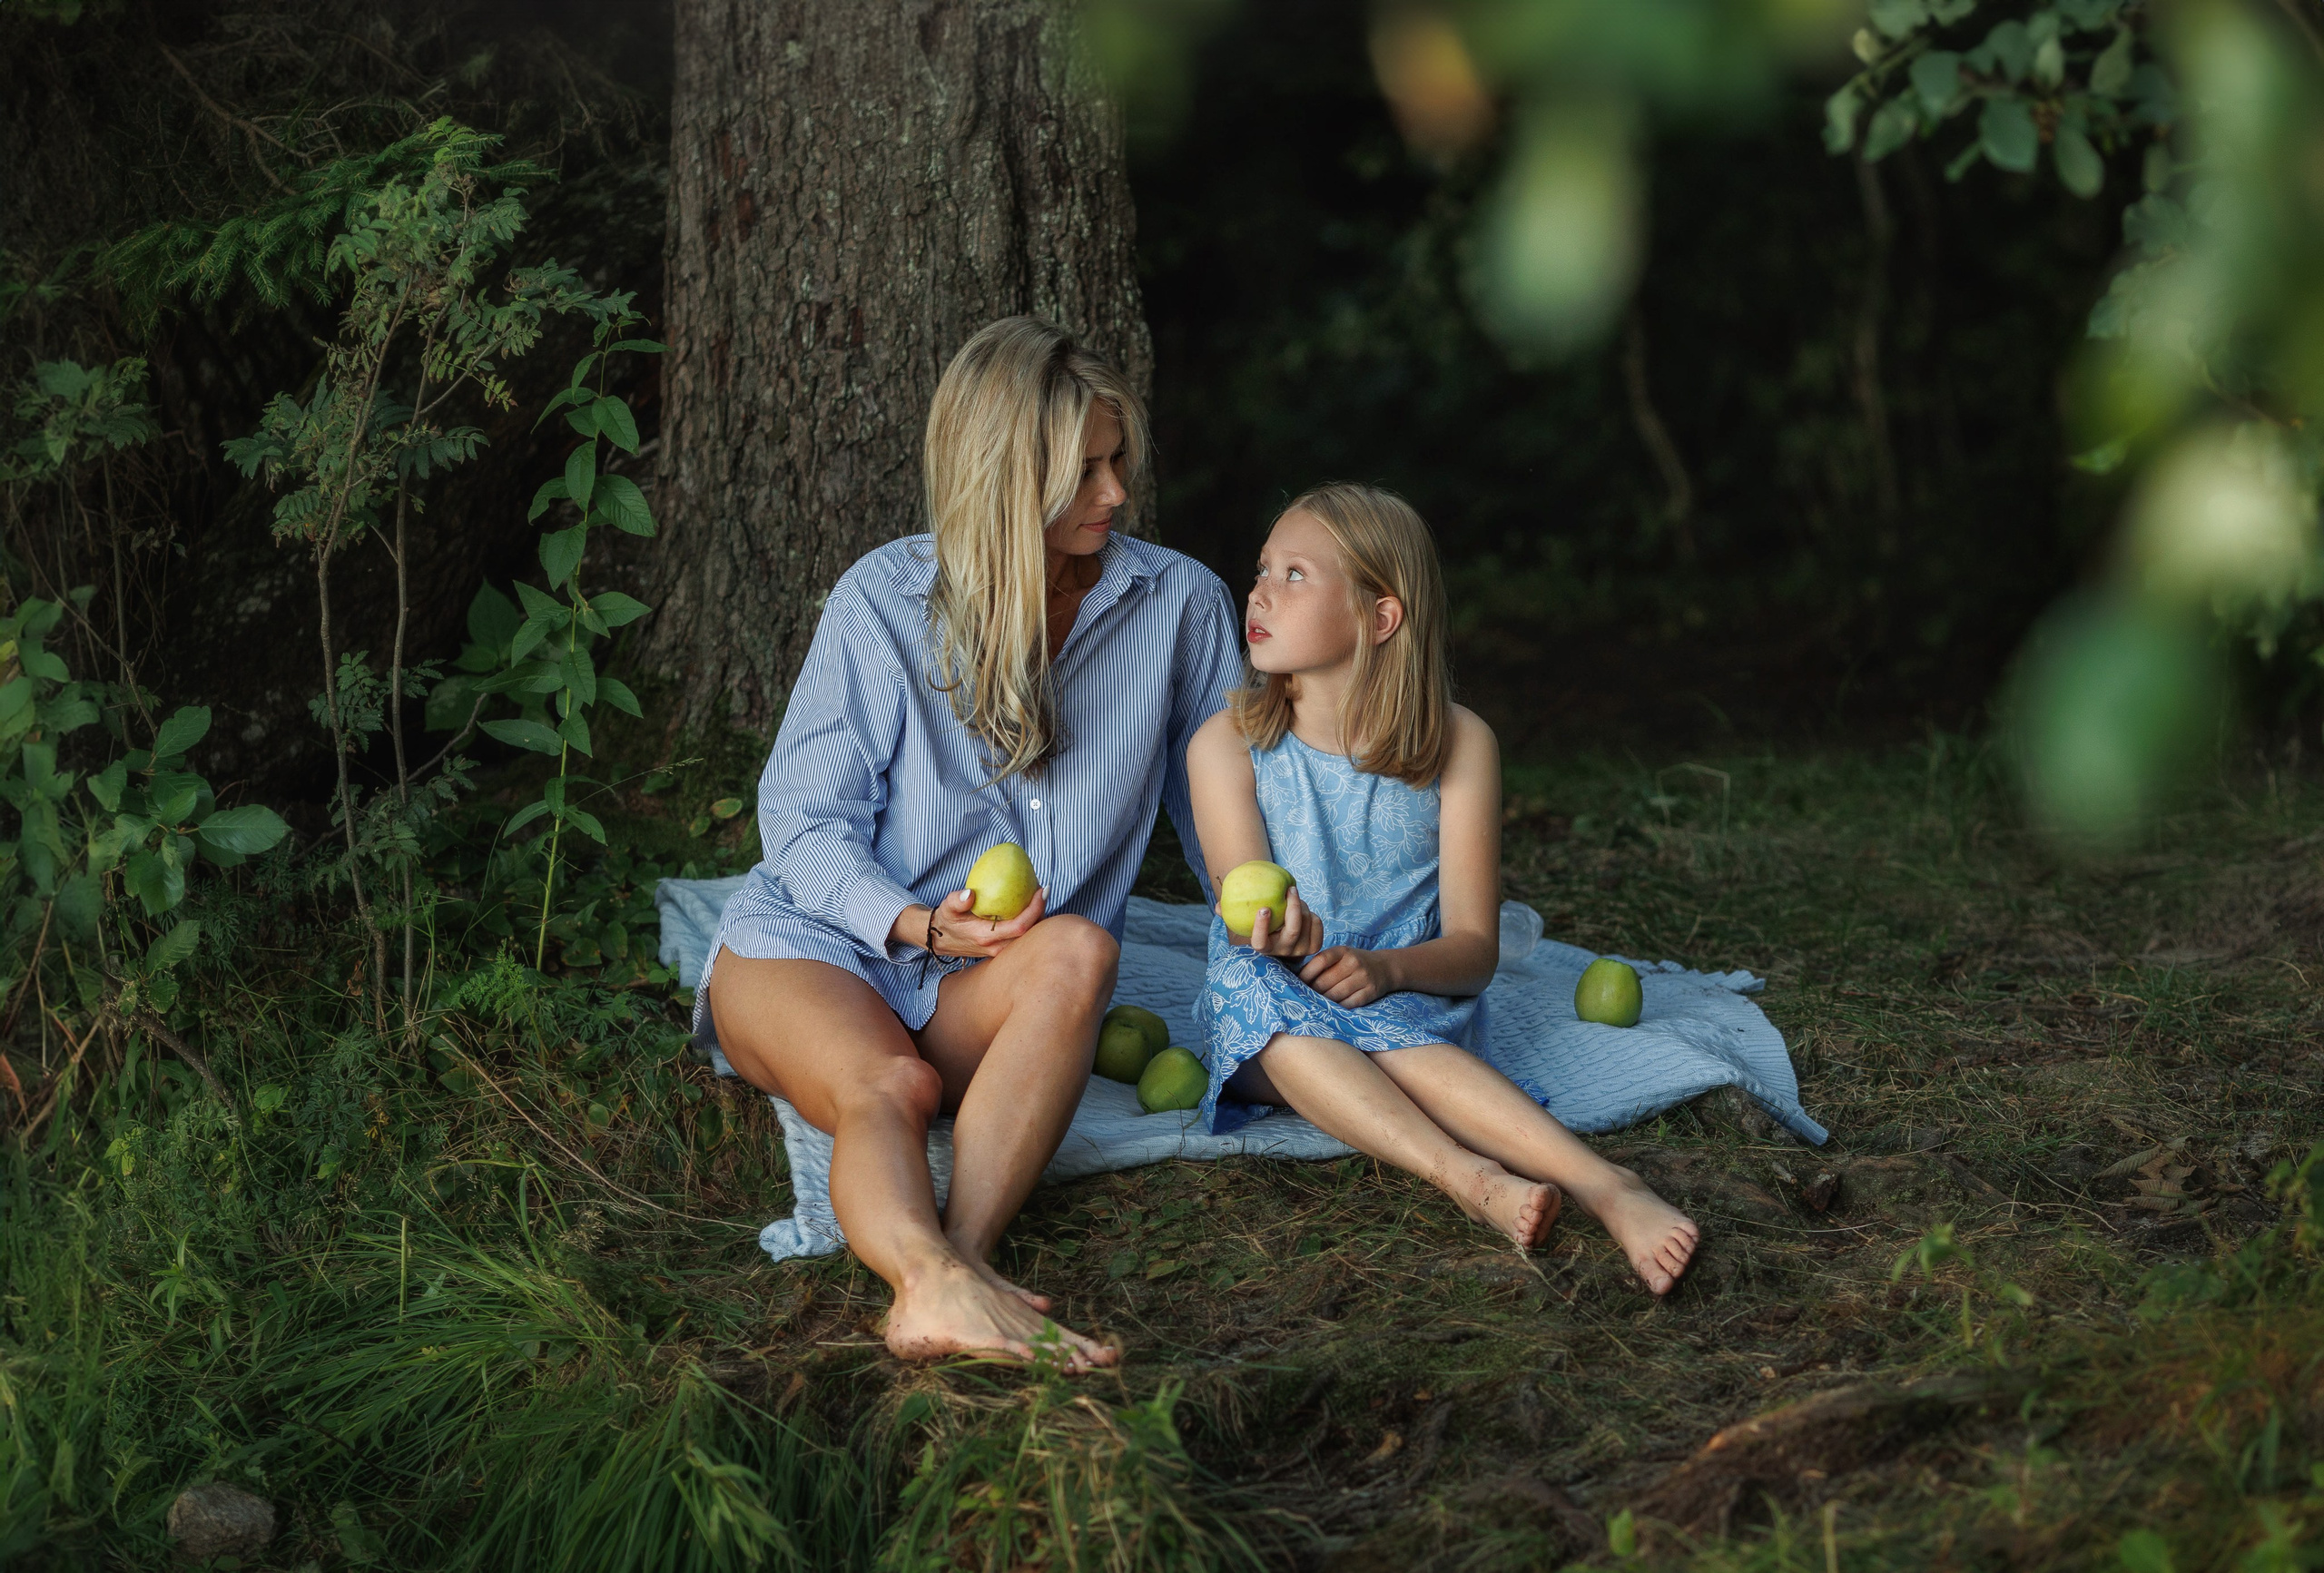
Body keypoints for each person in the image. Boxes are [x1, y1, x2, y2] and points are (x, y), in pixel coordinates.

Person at [704, 318, 1244, 1367]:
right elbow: (802, 823)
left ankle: (961, 1263)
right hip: (819, 943)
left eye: (1117, 459)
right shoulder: (884, 600)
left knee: (1082, 949)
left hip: (978, 986)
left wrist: (1273, 914)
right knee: (888, 1089)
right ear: (1001, 473)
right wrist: (915, 921)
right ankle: (928, 1280)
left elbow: (1228, 818)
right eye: (1081, 469)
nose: (1116, 493)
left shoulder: (1179, 605)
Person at [1186, 484, 1700, 1294]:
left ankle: (1612, 1185)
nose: (1257, 592)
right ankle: (1468, 1178)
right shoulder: (1226, 743)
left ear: (1380, 617)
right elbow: (1241, 893)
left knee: (1390, 1035)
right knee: (1258, 996)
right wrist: (1281, 932)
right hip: (1274, 1007)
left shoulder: (1460, 743)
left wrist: (1387, 971)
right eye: (1261, 569)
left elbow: (1473, 950)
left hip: (1409, 1004)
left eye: (1293, 574)